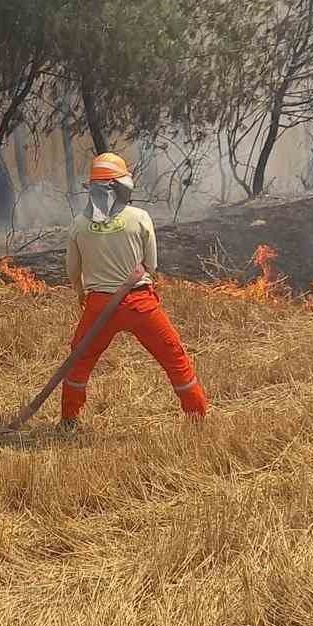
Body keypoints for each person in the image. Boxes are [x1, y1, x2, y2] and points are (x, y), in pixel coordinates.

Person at [60, 153, 208, 435]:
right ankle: (198, 418)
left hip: (98, 306)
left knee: (79, 362)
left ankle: (69, 420)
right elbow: (151, 265)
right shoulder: (140, 218)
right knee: (174, 357)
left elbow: (72, 270)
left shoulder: (78, 225)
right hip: (140, 303)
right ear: (121, 187)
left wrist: (81, 294)